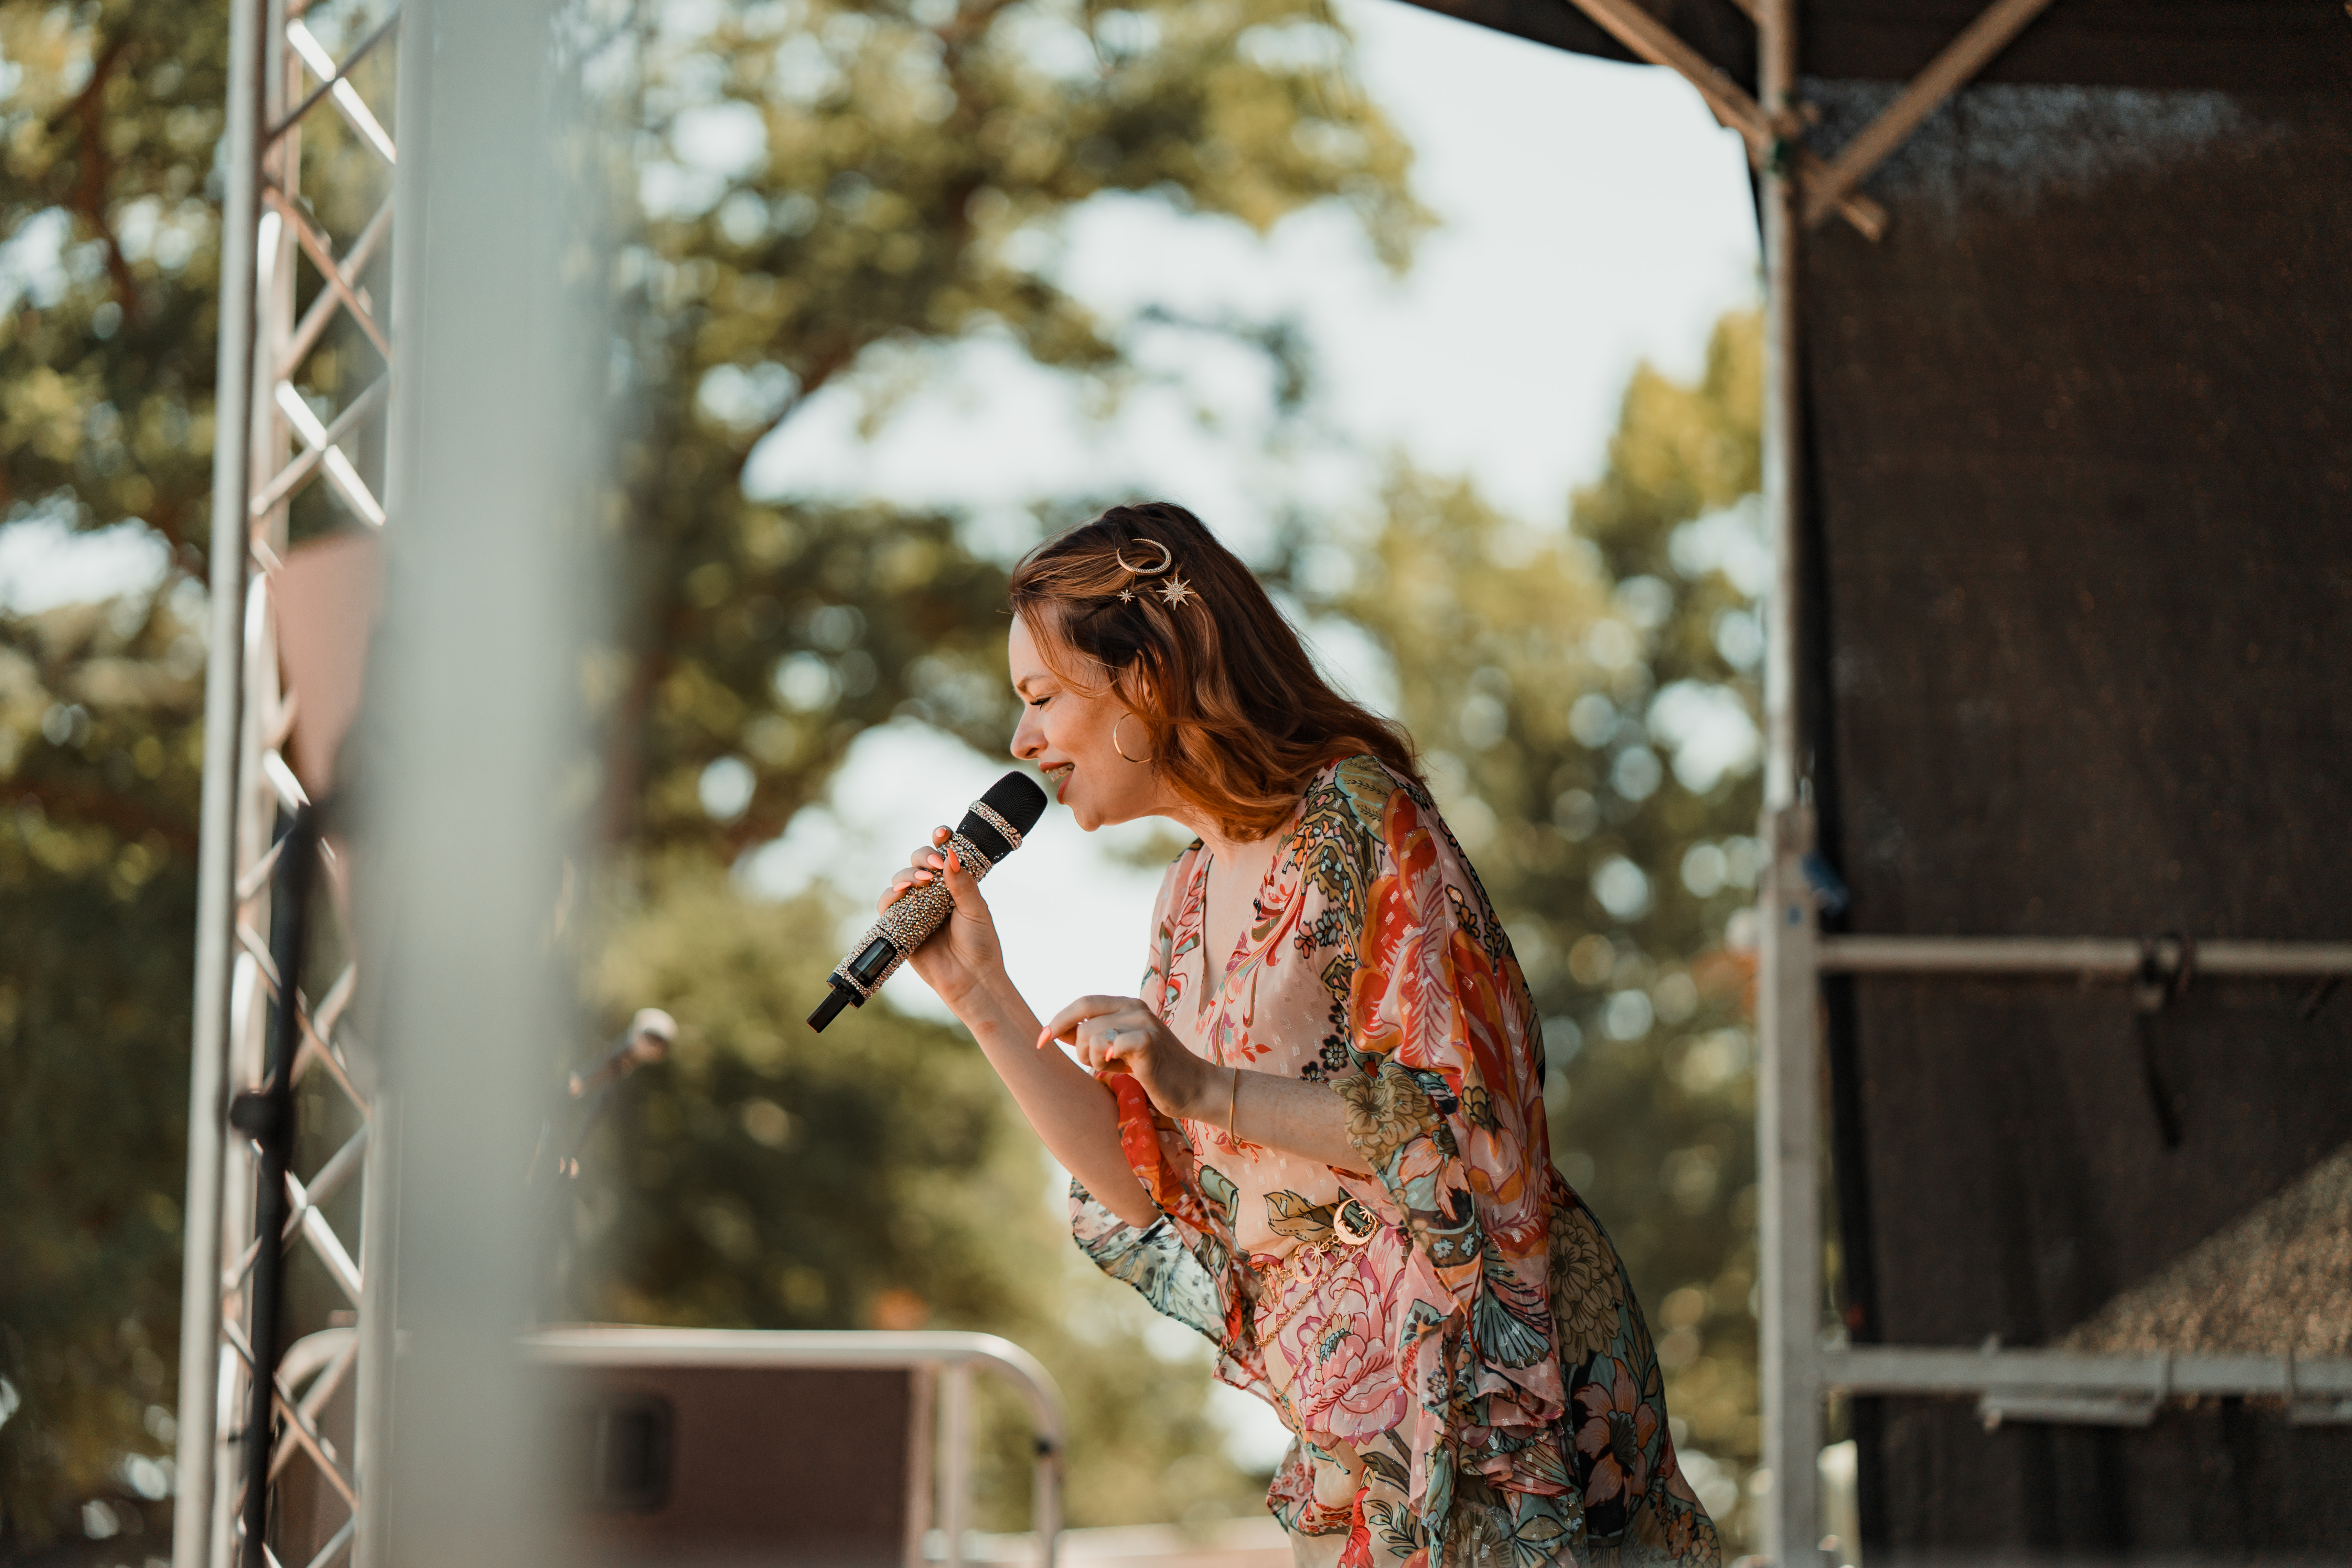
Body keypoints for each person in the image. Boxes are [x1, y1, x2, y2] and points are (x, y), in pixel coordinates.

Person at [879, 502, 1719, 1568]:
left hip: (1489, 1387)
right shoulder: (1186, 898)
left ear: (1149, 676)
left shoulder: (1357, 815)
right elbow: (1152, 1188)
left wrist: (1205, 1085)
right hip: (1346, 1425)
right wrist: (981, 996)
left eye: (1042, 697)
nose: (1022, 741)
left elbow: (1464, 1128)